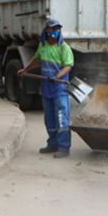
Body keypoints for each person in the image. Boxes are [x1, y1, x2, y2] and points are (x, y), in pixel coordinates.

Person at [18, 18, 74, 158]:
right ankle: (52, 144)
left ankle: (63, 147)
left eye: (58, 29)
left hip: (59, 89)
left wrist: (57, 76)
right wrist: (25, 70)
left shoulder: (63, 47)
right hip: (46, 88)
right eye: (53, 29)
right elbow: (37, 59)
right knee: (49, 118)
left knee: (62, 118)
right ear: (47, 31)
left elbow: (68, 66)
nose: (55, 32)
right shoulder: (43, 46)